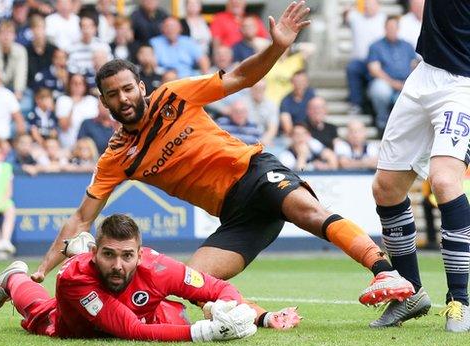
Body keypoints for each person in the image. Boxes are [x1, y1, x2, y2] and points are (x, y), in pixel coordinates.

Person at [30, 2, 414, 328]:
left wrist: (276, 47)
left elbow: (242, 76)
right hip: (235, 214)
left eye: (128, 88)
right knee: (194, 281)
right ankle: (267, 320)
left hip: (254, 172)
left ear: (141, 87)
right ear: (104, 102)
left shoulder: (175, 95)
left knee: (309, 213)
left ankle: (385, 271)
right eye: (113, 94)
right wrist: (44, 268)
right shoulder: (117, 157)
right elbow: (81, 219)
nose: (123, 98)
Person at [0, 214, 301, 340]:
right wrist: (205, 333)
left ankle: (87, 243)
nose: (118, 265)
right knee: (39, 311)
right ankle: (13, 277)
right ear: (95, 256)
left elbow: (219, 287)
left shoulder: (160, 268)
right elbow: (129, 330)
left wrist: (228, 308)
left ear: (140, 254)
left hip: (147, 312)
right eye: (109, 255)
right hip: (76, 324)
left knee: (175, 310)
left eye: (127, 255)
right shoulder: (75, 280)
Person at [369, 0, 470, 332]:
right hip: (424, 75)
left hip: (463, 84)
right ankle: (409, 293)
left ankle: (461, 301)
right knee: (386, 188)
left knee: (444, 180)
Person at [367, 16, 417, 132]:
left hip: (405, 82)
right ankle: (382, 120)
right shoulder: (376, 46)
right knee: (379, 89)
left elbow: (414, 66)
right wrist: (393, 83)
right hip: (386, 82)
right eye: (389, 27)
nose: (392, 30)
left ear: (398, 29)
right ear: (385, 28)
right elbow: (374, 69)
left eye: (394, 27)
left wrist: (408, 82)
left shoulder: (407, 46)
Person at [343, 0, 386, 114]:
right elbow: (346, 15)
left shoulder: (383, 19)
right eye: (366, 4)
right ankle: (355, 103)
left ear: (378, 6)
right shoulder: (356, 17)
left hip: (379, 62)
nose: (368, 7)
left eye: (371, 4)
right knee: (352, 68)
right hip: (360, 61)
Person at [55, 73, 98, 149]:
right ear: (69, 85)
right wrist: (73, 105)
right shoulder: (63, 100)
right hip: (68, 146)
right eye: (74, 83)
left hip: (90, 147)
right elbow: (64, 127)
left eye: (80, 83)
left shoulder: (92, 101)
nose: (77, 86)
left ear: (85, 86)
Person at [279, 70, 315, 135]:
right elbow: (288, 128)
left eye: (302, 81)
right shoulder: (285, 101)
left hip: (311, 133)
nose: (299, 84)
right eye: (297, 81)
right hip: (294, 134)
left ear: (307, 83)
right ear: (292, 83)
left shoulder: (311, 95)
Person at [26, 14, 56, 90]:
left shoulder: (53, 49)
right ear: (31, 30)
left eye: (41, 28)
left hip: (50, 86)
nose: (39, 31)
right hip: (31, 87)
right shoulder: (26, 50)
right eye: (36, 28)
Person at [244, 80, 278, 147]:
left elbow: (273, 128)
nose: (259, 91)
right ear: (251, 89)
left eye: (262, 89)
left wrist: (264, 141)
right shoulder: (243, 104)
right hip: (245, 138)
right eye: (256, 89)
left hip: (263, 140)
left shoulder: (271, 105)